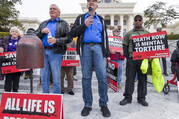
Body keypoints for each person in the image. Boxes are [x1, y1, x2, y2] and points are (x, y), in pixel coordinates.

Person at [70, 0, 111, 117]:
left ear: (97, 5)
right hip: (86, 48)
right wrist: (84, 24)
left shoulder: (101, 19)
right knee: (86, 77)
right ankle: (87, 104)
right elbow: (72, 33)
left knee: (102, 77)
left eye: (94, 1)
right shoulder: (80, 18)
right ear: (87, 5)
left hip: (98, 49)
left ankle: (103, 104)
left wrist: (106, 53)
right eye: (89, 1)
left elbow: (105, 37)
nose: (91, 3)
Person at [35, 4, 71, 94]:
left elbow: (69, 38)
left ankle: (55, 100)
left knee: (56, 78)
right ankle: (45, 98)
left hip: (56, 52)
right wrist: (41, 32)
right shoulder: (44, 23)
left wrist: (56, 40)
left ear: (59, 12)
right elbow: (35, 36)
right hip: (43, 52)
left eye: (54, 9)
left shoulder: (64, 23)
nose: (51, 10)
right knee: (44, 77)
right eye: (50, 9)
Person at [120, 15, 149, 106]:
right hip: (132, 59)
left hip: (143, 60)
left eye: (139, 20)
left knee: (142, 79)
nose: (137, 21)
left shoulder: (147, 33)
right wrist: (128, 57)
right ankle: (127, 98)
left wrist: (149, 58)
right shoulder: (128, 34)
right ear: (133, 22)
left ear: (142, 22)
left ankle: (141, 98)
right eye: (136, 20)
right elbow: (125, 46)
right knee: (129, 79)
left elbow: (151, 47)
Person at [0, 27, 21, 92]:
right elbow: (1, 43)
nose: (14, 33)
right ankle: (7, 94)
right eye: (12, 31)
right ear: (10, 32)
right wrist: (0, 47)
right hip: (8, 63)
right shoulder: (5, 39)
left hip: (17, 62)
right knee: (8, 80)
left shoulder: (22, 40)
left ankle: (15, 95)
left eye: (16, 31)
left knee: (16, 80)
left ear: (18, 33)